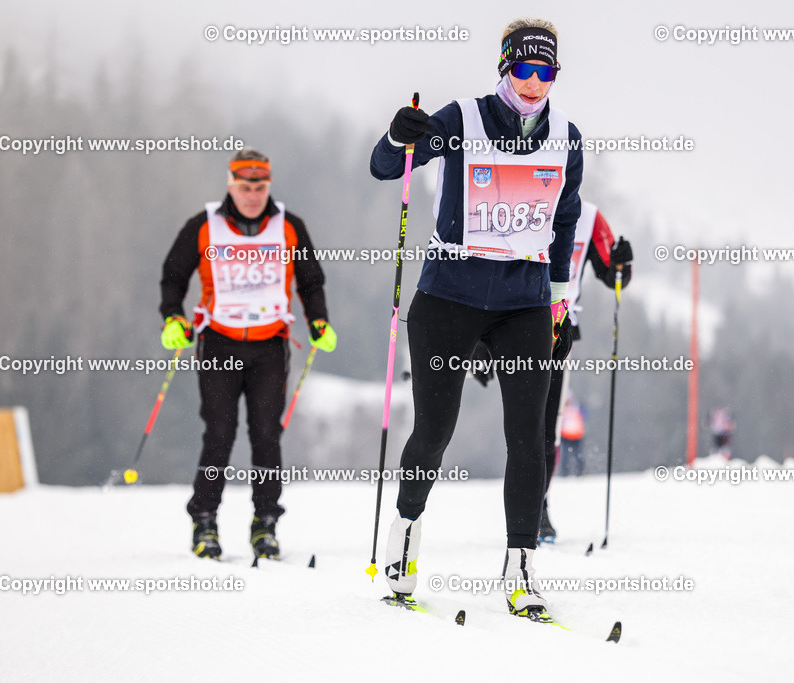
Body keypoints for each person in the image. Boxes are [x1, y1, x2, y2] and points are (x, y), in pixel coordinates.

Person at [370, 18, 583, 619]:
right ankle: (405, 540)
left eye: (547, 72)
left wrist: (560, 295)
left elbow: (565, 222)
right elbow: (387, 169)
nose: (536, 83)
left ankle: (520, 569)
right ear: (505, 68)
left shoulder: (567, 136)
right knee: (435, 430)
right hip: (450, 298)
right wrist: (396, 136)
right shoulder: (463, 120)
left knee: (530, 437)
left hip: (523, 301)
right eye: (525, 69)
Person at [159, 148, 337, 560]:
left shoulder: (289, 226)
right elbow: (173, 276)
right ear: (230, 185)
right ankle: (204, 520)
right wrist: (172, 318)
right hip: (219, 342)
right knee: (219, 434)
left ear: (268, 186)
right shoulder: (203, 226)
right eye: (245, 187)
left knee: (266, 436)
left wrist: (319, 321)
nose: (253, 195)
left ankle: (265, 523)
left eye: (260, 187)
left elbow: (311, 281)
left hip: (270, 346)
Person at [471, 200, 632, 543]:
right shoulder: (522, 197)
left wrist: (621, 264)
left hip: (557, 328)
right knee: (519, 423)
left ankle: (536, 507)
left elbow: (613, 273)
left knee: (546, 429)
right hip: (508, 320)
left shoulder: (589, 217)